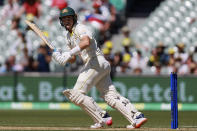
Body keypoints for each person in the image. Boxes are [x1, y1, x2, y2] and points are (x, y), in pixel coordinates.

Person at [52, 7, 147, 129]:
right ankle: (136, 116)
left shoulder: (80, 28)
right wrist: (59, 56)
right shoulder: (68, 37)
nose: (67, 21)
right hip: (98, 64)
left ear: (74, 18)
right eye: (64, 19)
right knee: (110, 96)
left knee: (76, 93)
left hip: (95, 61)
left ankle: (102, 116)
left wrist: (69, 53)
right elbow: (73, 58)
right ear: (61, 21)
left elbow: (85, 42)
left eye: (69, 18)